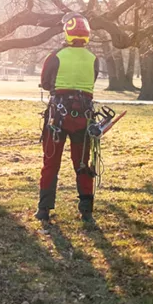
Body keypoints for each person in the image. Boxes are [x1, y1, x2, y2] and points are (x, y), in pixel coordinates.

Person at [36, 14, 100, 224]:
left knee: (51, 162)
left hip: (57, 118)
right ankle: (86, 210)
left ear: (67, 32)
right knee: (82, 163)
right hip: (84, 118)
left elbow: (45, 83)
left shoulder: (56, 56)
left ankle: (44, 209)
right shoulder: (93, 59)